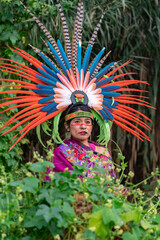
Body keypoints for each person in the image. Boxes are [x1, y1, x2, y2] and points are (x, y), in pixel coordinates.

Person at [45, 103, 115, 181]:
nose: (83, 126)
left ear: (92, 126)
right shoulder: (61, 153)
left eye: (87, 122)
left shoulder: (103, 150)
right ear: (67, 126)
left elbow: (112, 181)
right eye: (77, 122)